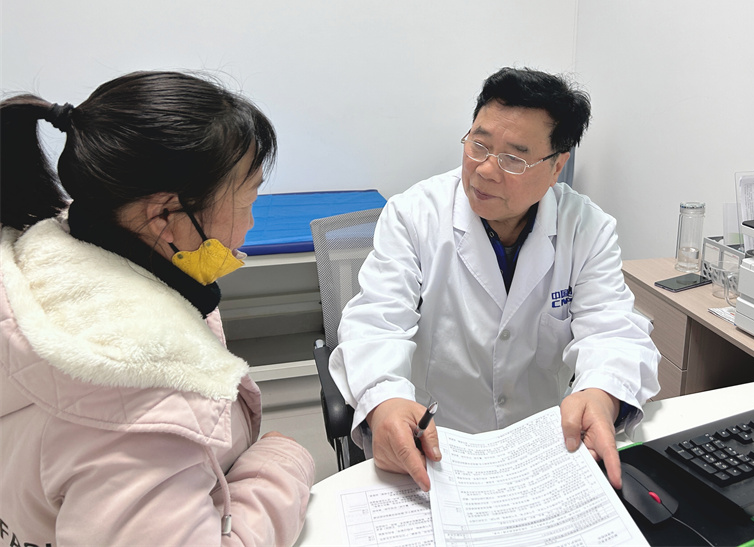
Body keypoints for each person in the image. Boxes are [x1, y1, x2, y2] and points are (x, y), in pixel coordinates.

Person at [0, 71, 315, 546]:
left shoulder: (39, 273)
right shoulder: (140, 402)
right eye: (248, 200)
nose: (250, 224)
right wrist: (281, 464)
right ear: (166, 216)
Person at [329, 67, 661, 493]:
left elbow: (612, 331)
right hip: (437, 445)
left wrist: (601, 394)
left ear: (557, 166)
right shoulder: (414, 215)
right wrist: (385, 401)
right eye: (478, 144)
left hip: (543, 450)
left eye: (513, 159)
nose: (485, 170)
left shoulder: (587, 228)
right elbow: (377, 323)